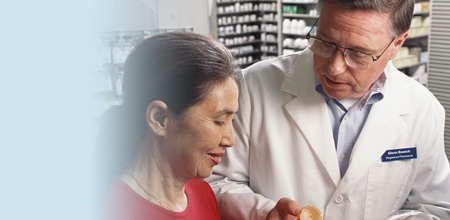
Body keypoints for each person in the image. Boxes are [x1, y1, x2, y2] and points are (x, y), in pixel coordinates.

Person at [207, 0, 450, 219]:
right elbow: (215, 181)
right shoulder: (251, 87)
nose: (334, 67)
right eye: (325, 42)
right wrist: (262, 213)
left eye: (358, 53)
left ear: (397, 44)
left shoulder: (423, 111)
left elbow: (434, 207)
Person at [96, 32, 241, 220]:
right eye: (219, 121)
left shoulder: (202, 193)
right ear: (159, 119)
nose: (230, 140)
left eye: (232, 121)